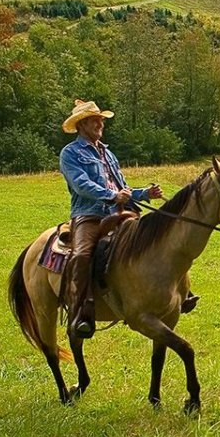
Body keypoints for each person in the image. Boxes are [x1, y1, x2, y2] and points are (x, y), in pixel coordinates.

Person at [59, 99, 168, 339]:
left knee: (158, 240)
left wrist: (144, 194)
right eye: (95, 120)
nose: (101, 124)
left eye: (101, 120)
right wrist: (111, 196)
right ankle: (81, 311)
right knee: (81, 256)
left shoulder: (107, 153)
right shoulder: (70, 153)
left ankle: (175, 293)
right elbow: (81, 185)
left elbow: (122, 188)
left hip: (120, 212)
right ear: (82, 125)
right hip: (89, 214)